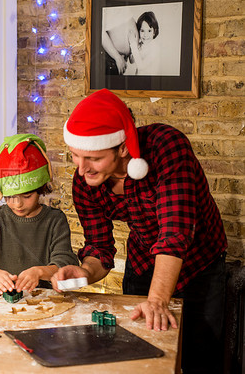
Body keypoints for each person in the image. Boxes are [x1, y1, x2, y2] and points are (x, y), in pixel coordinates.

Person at [53, 89, 227, 374]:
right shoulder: (84, 181)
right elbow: (100, 249)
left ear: (122, 148)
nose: (82, 169)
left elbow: (175, 233)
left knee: (199, 356)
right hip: (144, 261)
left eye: (93, 158)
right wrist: (85, 271)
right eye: (75, 156)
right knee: (138, 355)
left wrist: (157, 300)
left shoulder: (167, 146)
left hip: (200, 264)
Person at [0, 134, 78, 294]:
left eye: (27, 196)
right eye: (9, 197)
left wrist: (39, 272)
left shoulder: (55, 220)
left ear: (41, 188)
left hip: (44, 303)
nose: (17, 204)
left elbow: (65, 263)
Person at [125, 11, 160, 76]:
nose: (145, 35)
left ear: (154, 32)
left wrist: (133, 44)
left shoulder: (154, 48)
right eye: (142, 31)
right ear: (138, 31)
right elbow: (132, 61)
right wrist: (135, 46)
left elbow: (141, 66)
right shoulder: (143, 45)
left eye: (149, 31)